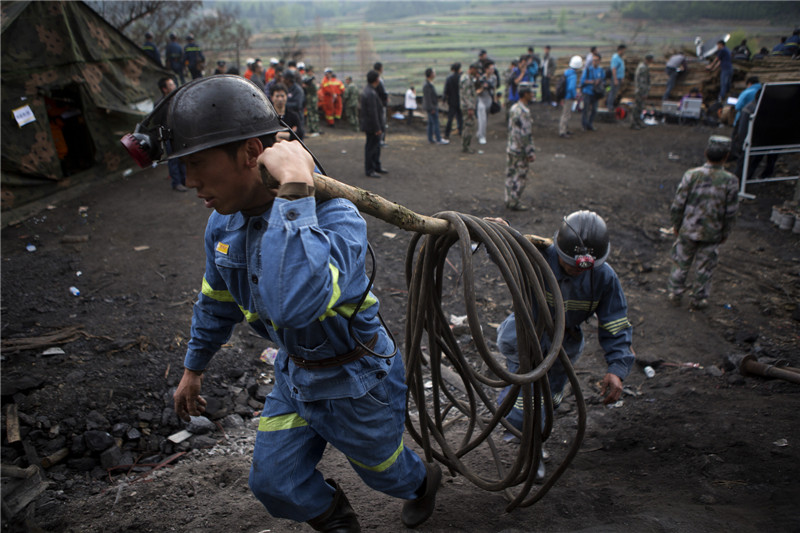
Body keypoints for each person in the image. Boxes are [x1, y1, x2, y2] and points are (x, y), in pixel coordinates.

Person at [160, 75, 441, 532]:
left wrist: (294, 187)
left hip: (355, 378)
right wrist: (194, 368)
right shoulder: (223, 226)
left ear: (252, 152)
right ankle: (337, 522)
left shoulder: (337, 219)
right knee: (274, 483)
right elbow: (215, 303)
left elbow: (294, 304)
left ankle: (423, 483)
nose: (189, 181)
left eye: (196, 163)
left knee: (386, 473)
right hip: (295, 376)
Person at [496, 211, 635, 447]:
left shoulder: (604, 278)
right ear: (559, 251)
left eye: (584, 268)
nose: (576, 270)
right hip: (525, 336)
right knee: (524, 393)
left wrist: (617, 367)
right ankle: (524, 440)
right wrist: (499, 232)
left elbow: (615, 323)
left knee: (550, 397)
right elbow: (504, 252)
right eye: (570, 263)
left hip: (564, 345)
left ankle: (535, 432)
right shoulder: (537, 257)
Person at [668, 136, 739, 310]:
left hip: (688, 229)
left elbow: (678, 204)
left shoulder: (692, 175)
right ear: (726, 156)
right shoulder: (730, 180)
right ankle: (698, 299)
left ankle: (675, 294)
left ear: (706, 153)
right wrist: (725, 233)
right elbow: (731, 212)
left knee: (681, 263)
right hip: (712, 233)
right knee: (705, 267)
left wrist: (676, 225)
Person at [504, 82, 535, 211]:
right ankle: (514, 201)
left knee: (510, 173)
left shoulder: (514, 108)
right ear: (525, 94)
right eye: (530, 92)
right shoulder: (524, 112)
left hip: (511, 147)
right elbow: (525, 134)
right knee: (520, 175)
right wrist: (530, 152)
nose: (532, 94)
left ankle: (508, 198)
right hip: (520, 150)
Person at [157, 77, 186, 192]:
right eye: (171, 85)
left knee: (183, 157)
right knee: (173, 159)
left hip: (179, 133)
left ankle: (184, 180)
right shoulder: (161, 104)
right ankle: (177, 182)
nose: (174, 86)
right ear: (164, 89)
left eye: (173, 84)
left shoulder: (176, 99)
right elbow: (158, 121)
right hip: (169, 136)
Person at [361, 70, 387, 178]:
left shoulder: (369, 90)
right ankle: (370, 169)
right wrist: (377, 128)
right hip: (372, 126)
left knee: (375, 147)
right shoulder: (371, 93)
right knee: (371, 148)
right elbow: (373, 112)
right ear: (376, 80)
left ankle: (376, 166)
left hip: (370, 125)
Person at [422, 68, 448, 145]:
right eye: (434, 73)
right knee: (435, 123)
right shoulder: (427, 85)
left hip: (431, 106)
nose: (435, 74)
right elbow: (428, 98)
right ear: (431, 74)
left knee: (431, 123)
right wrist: (432, 108)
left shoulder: (429, 84)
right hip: (432, 107)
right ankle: (438, 139)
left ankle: (431, 139)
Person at [558, 55, 582, 139]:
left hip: (565, 96)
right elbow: (571, 88)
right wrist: (574, 95)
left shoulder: (567, 73)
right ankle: (562, 131)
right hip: (569, 97)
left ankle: (565, 129)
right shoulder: (573, 75)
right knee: (566, 114)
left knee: (566, 113)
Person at [459, 63, 480, 154]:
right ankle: (465, 146)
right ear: (472, 69)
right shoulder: (467, 80)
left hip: (467, 105)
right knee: (468, 125)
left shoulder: (467, 78)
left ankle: (466, 145)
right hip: (467, 106)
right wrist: (470, 107)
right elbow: (467, 95)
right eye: (476, 70)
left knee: (468, 125)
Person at [579, 51, 602, 131]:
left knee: (594, 110)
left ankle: (590, 124)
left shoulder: (600, 70)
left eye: (596, 60)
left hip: (595, 93)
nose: (594, 62)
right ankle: (584, 125)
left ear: (599, 61)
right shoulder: (588, 70)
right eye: (593, 60)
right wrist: (592, 82)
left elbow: (602, 79)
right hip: (587, 92)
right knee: (586, 109)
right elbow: (582, 81)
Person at [476, 61, 496, 145]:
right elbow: (477, 89)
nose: (492, 70)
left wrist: (495, 99)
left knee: (485, 118)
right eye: (490, 69)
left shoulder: (494, 78)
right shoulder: (481, 78)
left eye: (493, 69)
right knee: (482, 118)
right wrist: (482, 87)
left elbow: (493, 87)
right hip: (481, 98)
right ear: (486, 69)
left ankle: (479, 132)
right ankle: (482, 136)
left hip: (489, 98)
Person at [631, 54, 653, 130]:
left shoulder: (643, 66)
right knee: (637, 107)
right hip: (640, 91)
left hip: (641, 90)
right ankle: (634, 123)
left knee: (640, 107)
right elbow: (642, 81)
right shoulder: (643, 68)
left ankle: (638, 121)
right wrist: (643, 92)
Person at [443, 62, 463, 140]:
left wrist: (444, 99)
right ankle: (460, 131)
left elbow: (446, 90)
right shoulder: (461, 78)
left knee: (450, 118)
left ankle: (447, 133)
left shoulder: (449, 78)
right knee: (460, 117)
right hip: (460, 100)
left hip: (451, 101)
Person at [606, 44, 626, 111]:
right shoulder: (615, 57)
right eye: (623, 50)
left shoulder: (620, 58)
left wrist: (622, 78)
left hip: (619, 78)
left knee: (615, 92)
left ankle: (612, 105)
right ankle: (609, 106)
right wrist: (615, 79)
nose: (624, 52)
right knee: (612, 92)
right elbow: (613, 69)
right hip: (616, 78)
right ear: (620, 50)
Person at [302, 69, 322, 136]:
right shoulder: (309, 80)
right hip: (311, 99)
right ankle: (313, 128)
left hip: (310, 99)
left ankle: (313, 128)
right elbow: (315, 89)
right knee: (312, 114)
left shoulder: (307, 80)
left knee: (312, 114)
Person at [374, 62, 389, 146]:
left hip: (377, 103)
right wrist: (385, 98)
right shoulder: (378, 80)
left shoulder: (375, 79)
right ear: (380, 68)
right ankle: (381, 140)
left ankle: (379, 140)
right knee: (381, 122)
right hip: (381, 104)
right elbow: (382, 92)